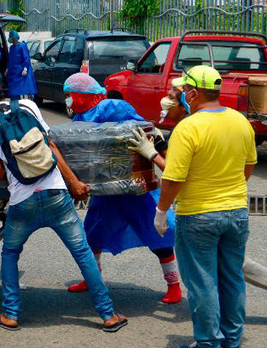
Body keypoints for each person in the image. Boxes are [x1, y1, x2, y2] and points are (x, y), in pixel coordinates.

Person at [0, 76, 128, 332]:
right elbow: (50, 145)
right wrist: (73, 182)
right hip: (56, 195)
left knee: (10, 254)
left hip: (23, 202)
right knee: (82, 253)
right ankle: (108, 315)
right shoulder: (29, 106)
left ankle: (10, 314)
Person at [143, 80, 267, 329]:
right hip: (227, 208)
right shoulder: (193, 125)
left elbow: (177, 175)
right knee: (230, 266)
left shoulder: (193, 128)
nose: (165, 100)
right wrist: (158, 147)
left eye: (171, 95)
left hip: (206, 210)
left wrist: (152, 155)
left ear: (189, 97)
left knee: (217, 270)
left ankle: (212, 338)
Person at [154, 65, 256, 348]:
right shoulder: (240, 122)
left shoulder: (188, 127)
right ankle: (232, 341)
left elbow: (173, 178)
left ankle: (209, 345)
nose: (179, 96)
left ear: (195, 93)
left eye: (183, 91)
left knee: (202, 282)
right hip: (236, 212)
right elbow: (247, 168)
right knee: (232, 277)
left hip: (198, 214)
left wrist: (161, 212)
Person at [61, 73, 182, 305]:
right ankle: (92, 278)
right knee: (92, 234)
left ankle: (173, 284)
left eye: (70, 95)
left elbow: (141, 126)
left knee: (157, 236)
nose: (68, 100)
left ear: (84, 94)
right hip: (105, 188)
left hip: (133, 185)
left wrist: (154, 145)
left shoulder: (109, 106)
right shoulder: (79, 115)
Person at [6, 30, 37, 100]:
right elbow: (11, 60)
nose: (10, 39)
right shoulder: (11, 48)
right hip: (13, 74)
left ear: (14, 38)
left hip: (21, 74)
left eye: (11, 37)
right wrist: (7, 68)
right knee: (14, 92)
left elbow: (26, 59)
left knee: (22, 90)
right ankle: (14, 105)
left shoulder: (22, 46)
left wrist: (25, 69)